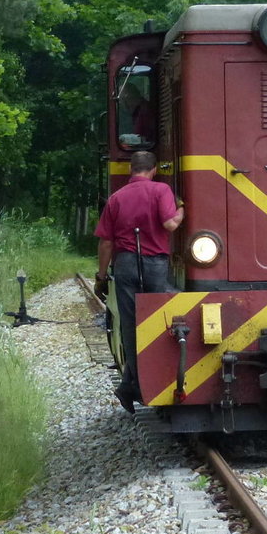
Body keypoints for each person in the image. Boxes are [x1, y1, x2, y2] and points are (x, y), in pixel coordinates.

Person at [94, 150, 184, 413]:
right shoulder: (161, 190)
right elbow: (170, 224)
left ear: (130, 169)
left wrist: (101, 276)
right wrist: (181, 210)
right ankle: (143, 384)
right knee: (158, 322)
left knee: (131, 325)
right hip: (155, 264)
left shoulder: (116, 198)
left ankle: (130, 386)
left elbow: (106, 243)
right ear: (154, 169)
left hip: (125, 265)